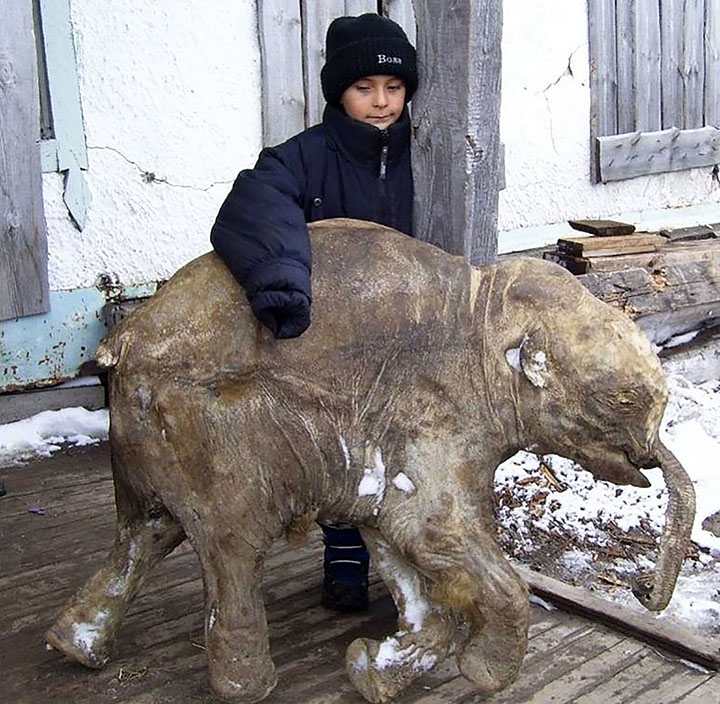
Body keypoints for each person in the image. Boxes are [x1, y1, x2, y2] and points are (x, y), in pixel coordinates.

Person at [210, 13, 417, 611]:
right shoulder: (302, 158)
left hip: (412, 333)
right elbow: (255, 205)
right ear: (338, 91)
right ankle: (345, 554)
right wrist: (280, 282)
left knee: (406, 449)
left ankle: (414, 560)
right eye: (364, 88)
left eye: (394, 88)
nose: (381, 103)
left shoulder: (430, 152)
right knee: (342, 448)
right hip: (334, 337)